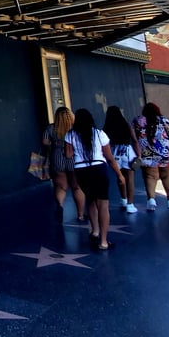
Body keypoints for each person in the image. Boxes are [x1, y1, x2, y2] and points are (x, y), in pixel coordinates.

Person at [64, 107, 126, 250]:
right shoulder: (99, 134)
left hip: (81, 170)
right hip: (99, 169)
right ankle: (103, 242)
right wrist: (119, 174)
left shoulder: (70, 135)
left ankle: (95, 231)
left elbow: (68, 155)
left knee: (90, 200)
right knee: (103, 205)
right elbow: (109, 157)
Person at [132, 102, 169, 211]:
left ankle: (151, 200)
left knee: (150, 177)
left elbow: (132, 135)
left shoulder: (138, 121)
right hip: (165, 153)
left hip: (146, 153)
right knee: (166, 176)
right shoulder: (164, 120)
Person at [42, 106, 86, 223]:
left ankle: (60, 207)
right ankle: (80, 215)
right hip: (73, 157)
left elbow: (45, 142)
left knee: (61, 187)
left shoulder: (51, 128)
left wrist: (53, 146)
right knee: (77, 187)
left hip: (57, 157)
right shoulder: (75, 128)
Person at [102, 105, 139, 213]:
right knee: (130, 179)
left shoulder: (107, 127)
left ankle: (123, 199)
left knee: (120, 176)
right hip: (127, 152)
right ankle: (130, 204)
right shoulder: (126, 125)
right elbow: (134, 140)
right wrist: (139, 155)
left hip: (115, 153)